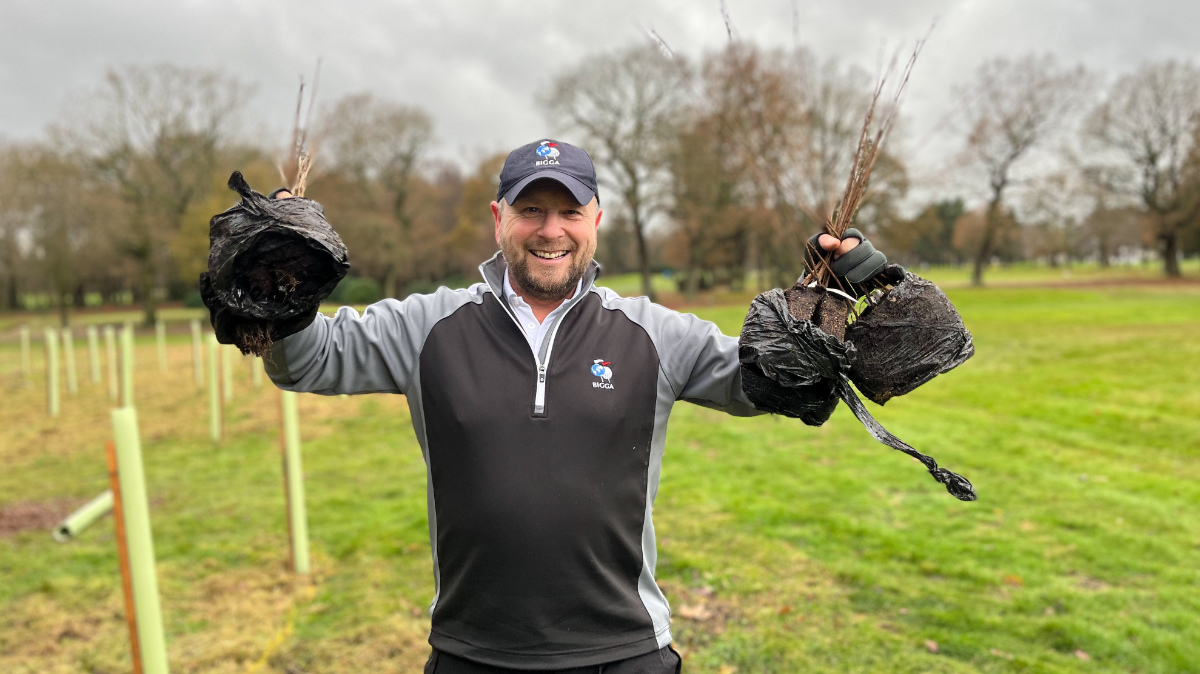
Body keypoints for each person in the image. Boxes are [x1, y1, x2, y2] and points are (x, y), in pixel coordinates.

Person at [253, 139, 893, 673]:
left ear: (596, 218)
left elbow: (768, 383)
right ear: (498, 216)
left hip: (624, 652)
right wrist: (280, 276)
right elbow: (307, 359)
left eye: (569, 211)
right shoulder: (427, 326)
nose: (550, 230)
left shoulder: (652, 332)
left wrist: (834, 298)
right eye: (531, 209)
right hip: (473, 653)